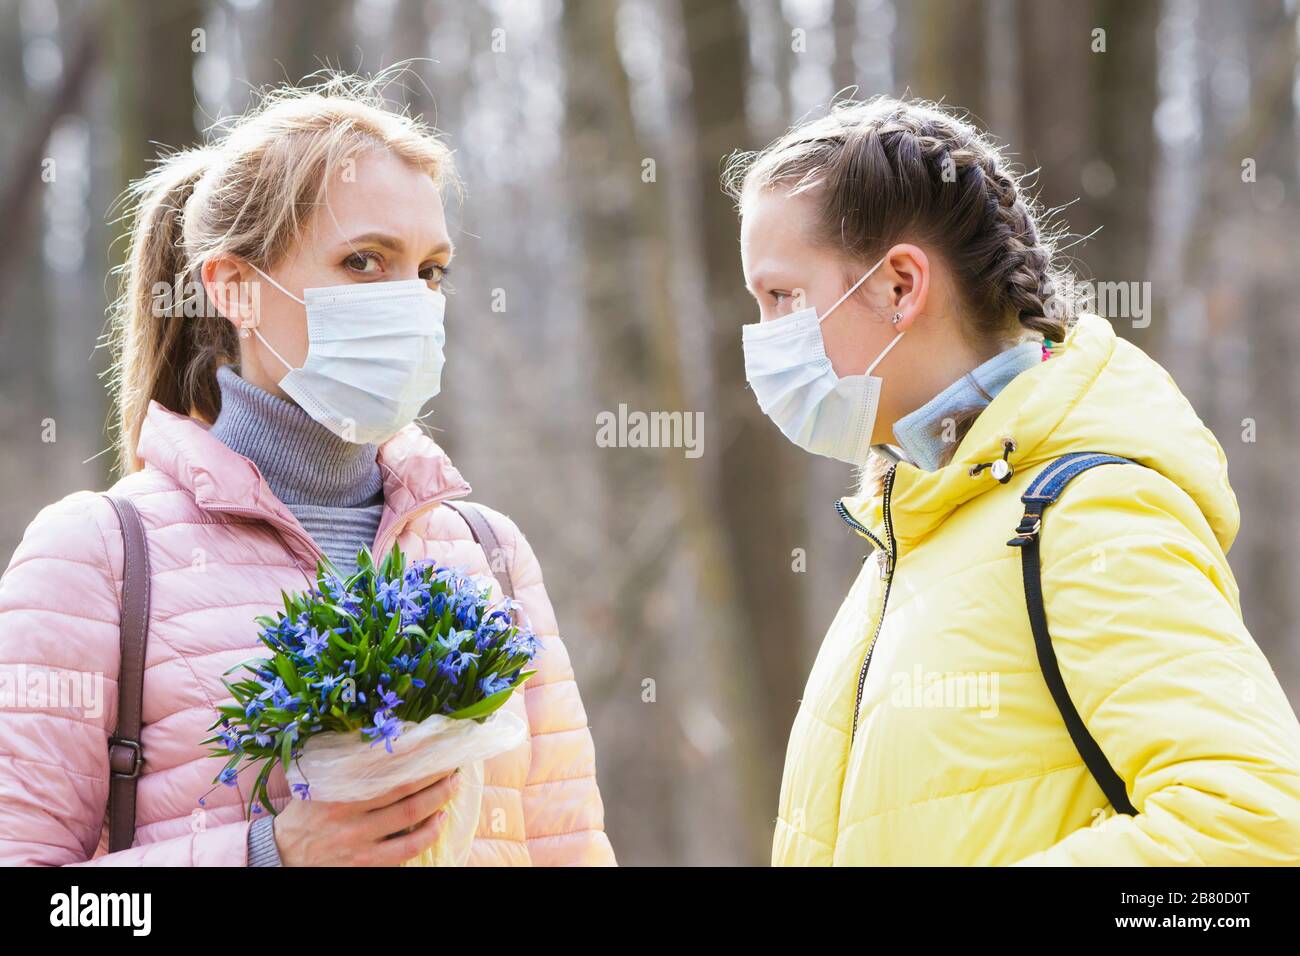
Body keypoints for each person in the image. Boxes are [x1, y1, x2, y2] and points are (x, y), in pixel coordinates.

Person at [0, 73, 615, 867]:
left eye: (430, 271)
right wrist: (267, 855)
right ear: (234, 290)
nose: (411, 303)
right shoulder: (100, 559)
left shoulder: (489, 556)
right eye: (364, 261)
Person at [728, 96, 1300, 865]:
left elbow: (1255, 826)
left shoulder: (1088, 515)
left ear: (900, 284)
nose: (766, 342)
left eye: (782, 298)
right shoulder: (918, 530)